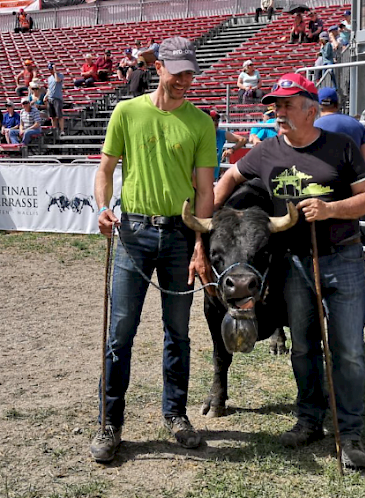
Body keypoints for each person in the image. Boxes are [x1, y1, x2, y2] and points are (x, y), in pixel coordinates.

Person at [213, 73, 365, 469]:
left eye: (287, 105)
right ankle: (309, 419)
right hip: (296, 262)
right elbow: (231, 177)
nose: (279, 112)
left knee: (349, 350)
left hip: (343, 256)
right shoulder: (266, 150)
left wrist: (331, 209)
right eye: (276, 106)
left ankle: (349, 432)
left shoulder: (341, 147)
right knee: (303, 347)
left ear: (311, 109)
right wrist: (209, 221)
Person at [89, 36, 216, 464]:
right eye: (177, 71)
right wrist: (103, 208)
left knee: (178, 333)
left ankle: (175, 414)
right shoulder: (127, 111)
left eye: (190, 72)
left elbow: (204, 191)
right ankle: (111, 422)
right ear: (157, 66)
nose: (184, 80)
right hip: (134, 233)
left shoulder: (201, 122)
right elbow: (104, 170)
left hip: (180, 238)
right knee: (120, 333)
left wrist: (201, 244)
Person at [314, 87, 365, 274]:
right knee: (364, 219)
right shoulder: (356, 124)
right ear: (338, 104)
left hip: (326, 183)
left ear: (318, 105)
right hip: (355, 181)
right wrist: (363, 178)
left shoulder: (315, 125)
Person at [210, 110, 247, 179]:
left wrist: (232, 149)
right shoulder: (198, 136)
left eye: (217, 120)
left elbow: (243, 140)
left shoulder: (220, 134)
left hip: (212, 178)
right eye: (213, 120)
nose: (216, 122)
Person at [45, 63, 65, 137]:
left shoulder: (59, 75)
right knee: (52, 116)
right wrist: (46, 96)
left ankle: (62, 130)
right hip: (50, 98)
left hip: (57, 98)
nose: (50, 71)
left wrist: (55, 71)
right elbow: (49, 88)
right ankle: (54, 129)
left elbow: (57, 80)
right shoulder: (49, 78)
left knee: (59, 115)